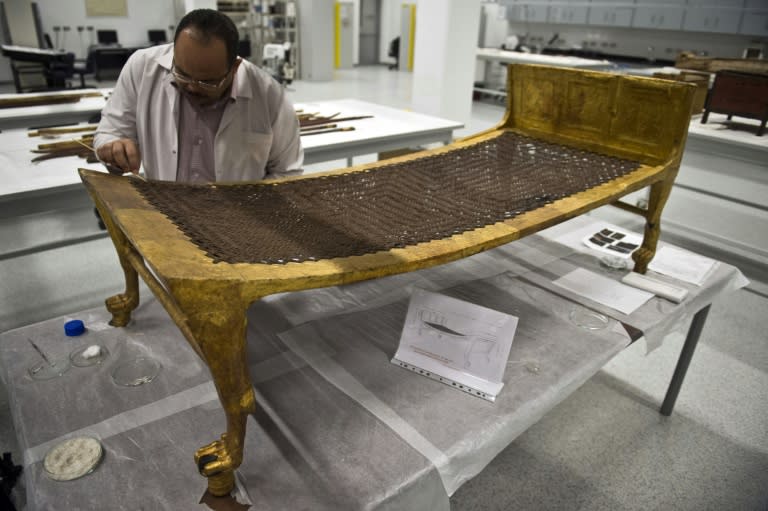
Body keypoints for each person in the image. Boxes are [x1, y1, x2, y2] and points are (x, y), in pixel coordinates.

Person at [94, 9, 303, 182]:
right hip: (164, 214)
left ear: (235, 67)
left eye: (207, 82)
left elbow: (287, 172)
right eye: (182, 74)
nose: (192, 87)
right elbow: (110, 131)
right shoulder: (142, 68)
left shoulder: (269, 95)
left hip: (237, 221)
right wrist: (113, 148)